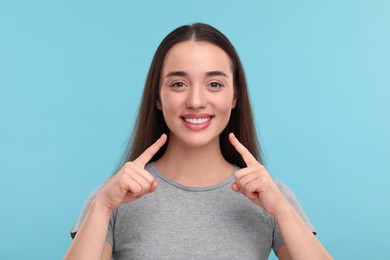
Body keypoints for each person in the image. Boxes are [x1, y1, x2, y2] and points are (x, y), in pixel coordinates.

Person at [64, 23, 332, 260]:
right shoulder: (114, 196)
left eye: (214, 84)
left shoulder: (270, 196)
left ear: (235, 96)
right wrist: (101, 207)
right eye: (178, 84)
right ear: (157, 97)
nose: (195, 101)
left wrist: (283, 211)